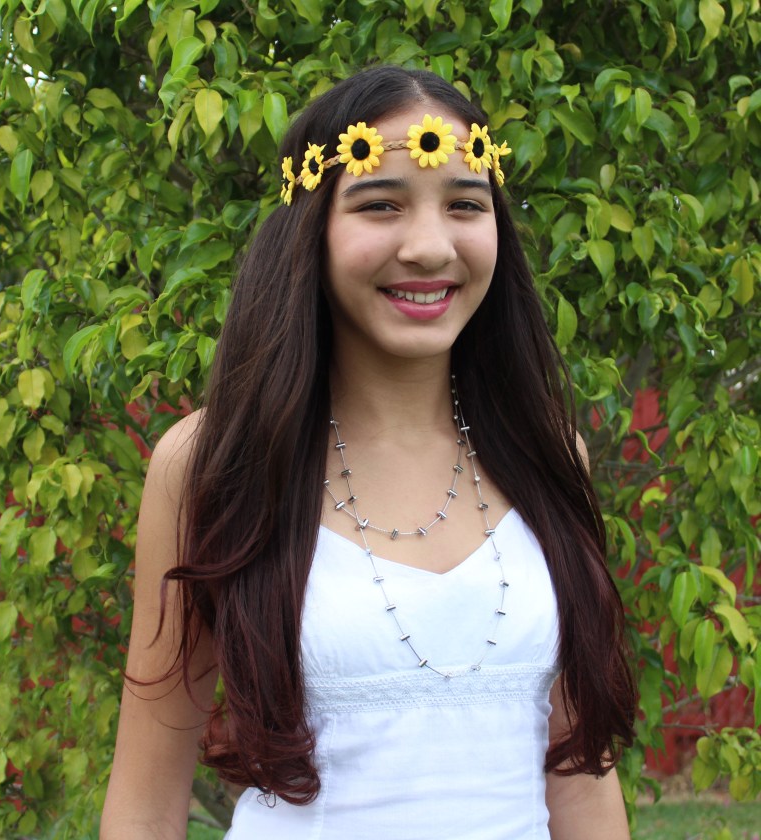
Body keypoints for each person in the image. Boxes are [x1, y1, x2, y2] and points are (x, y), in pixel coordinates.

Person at [101, 65, 637, 839]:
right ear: (311, 230)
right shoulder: (213, 463)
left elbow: (581, 783)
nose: (429, 246)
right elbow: (146, 805)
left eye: (465, 205)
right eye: (380, 204)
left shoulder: (548, 456)